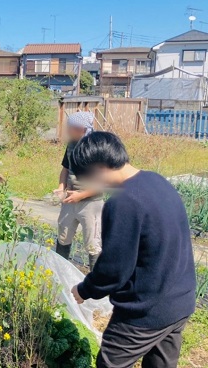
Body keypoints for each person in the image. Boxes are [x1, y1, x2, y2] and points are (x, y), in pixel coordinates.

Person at [71, 132, 196, 368]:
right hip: (180, 301)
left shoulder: (123, 202)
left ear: (98, 168)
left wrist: (85, 289)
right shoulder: (156, 180)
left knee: (111, 364)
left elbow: (114, 269)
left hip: (146, 312)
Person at [54, 112, 103, 270]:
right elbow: (65, 170)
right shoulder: (71, 145)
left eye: (70, 127)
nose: (67, 130)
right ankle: (60, 273)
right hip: (69, 200)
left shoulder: (97, 147)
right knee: (63, 237)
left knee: (93, 244)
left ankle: (95, 283)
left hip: (91, 203)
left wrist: (81, 195)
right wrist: (61, 188)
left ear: (81, 128)